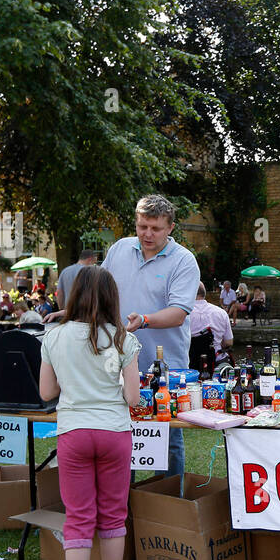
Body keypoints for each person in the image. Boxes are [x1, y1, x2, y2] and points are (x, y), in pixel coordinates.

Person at [38, 266, 141, 560]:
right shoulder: (123, 339)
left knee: (78, 518)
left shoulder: (54, 336)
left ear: (73, 295)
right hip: (113, 432)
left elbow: (46, 393)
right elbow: (133, 397)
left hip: (74, 431)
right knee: (113, 517)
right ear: (112, 297)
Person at [99, 194, 200, 478]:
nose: (147, 234)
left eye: (155, 228)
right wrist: (72, 311)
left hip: (165, 367)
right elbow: (99, 291)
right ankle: (126, 505)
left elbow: (179, 312)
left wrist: (144, 320)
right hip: (118, 362)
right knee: (121, 436)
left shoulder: (183, 260)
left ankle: (166, 506)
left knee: (167, 439)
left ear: (170, 228)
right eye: (143, 226)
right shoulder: (119, 249)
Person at [188, 281, 234, 364]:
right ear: (204, 293)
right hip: (215, 362)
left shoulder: (183, 314)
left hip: (190, 362)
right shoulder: (221, 313)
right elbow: (228, 343)